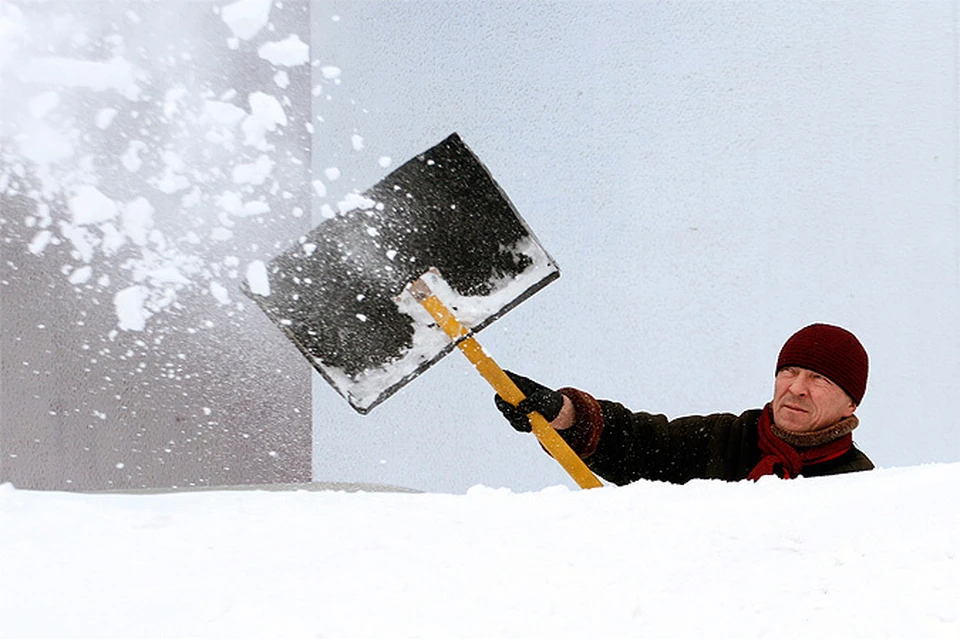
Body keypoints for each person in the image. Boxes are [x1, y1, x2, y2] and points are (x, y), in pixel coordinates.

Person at [495, 323, 874, 484]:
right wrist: (563, 413)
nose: (797, 389)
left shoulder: (862, 487)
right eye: (789, 371)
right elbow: (639, 444)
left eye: (819, 378)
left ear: (850, 405)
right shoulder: (725, 438)